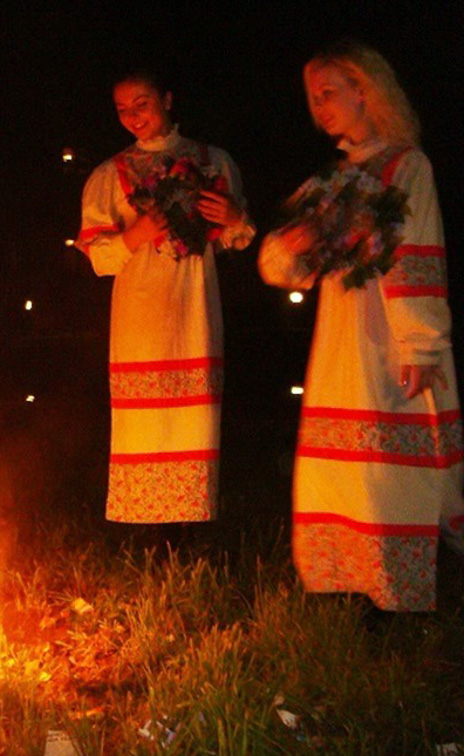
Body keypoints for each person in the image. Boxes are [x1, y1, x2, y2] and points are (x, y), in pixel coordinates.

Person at [258, 40, 464, 612]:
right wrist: (295, 243)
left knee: (391, 469)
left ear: (364, 91)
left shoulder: (406, 166)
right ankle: (346, 584)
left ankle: (399, 593)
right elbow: (278, 265)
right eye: (312, 97)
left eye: (329, 92)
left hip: (393, 337)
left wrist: (422, 345)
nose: (319, 106)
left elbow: (419, 252)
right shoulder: (334, 179)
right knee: (344, 470)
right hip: (340, 341)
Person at [76, 72, 255, 526]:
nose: (133, 117)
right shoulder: (108, 175)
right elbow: (98, 257)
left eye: (142, 104)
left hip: (193, 306)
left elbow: (236, 239)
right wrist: (135, 235)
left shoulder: (213, 161)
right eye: (123, 110)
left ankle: (191, 528)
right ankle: (146, 532)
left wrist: (234, 218)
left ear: (168, 100)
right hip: (140, 313)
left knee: (192, 420)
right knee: (144, 425)